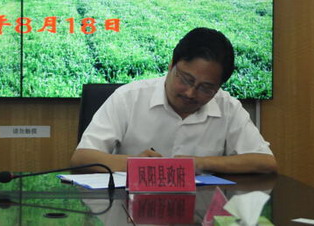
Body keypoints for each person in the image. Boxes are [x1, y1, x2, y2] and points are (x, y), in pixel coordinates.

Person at [71, 27, 277, 174]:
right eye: (186, 79)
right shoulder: (128, 98)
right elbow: (82, 158)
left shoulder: (228, 107)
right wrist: (134, 163)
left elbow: (266, 162)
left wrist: (200, 163)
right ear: (171, 65)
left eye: (206, 88)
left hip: (199, 211)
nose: (191, 93)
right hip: (129, 211)